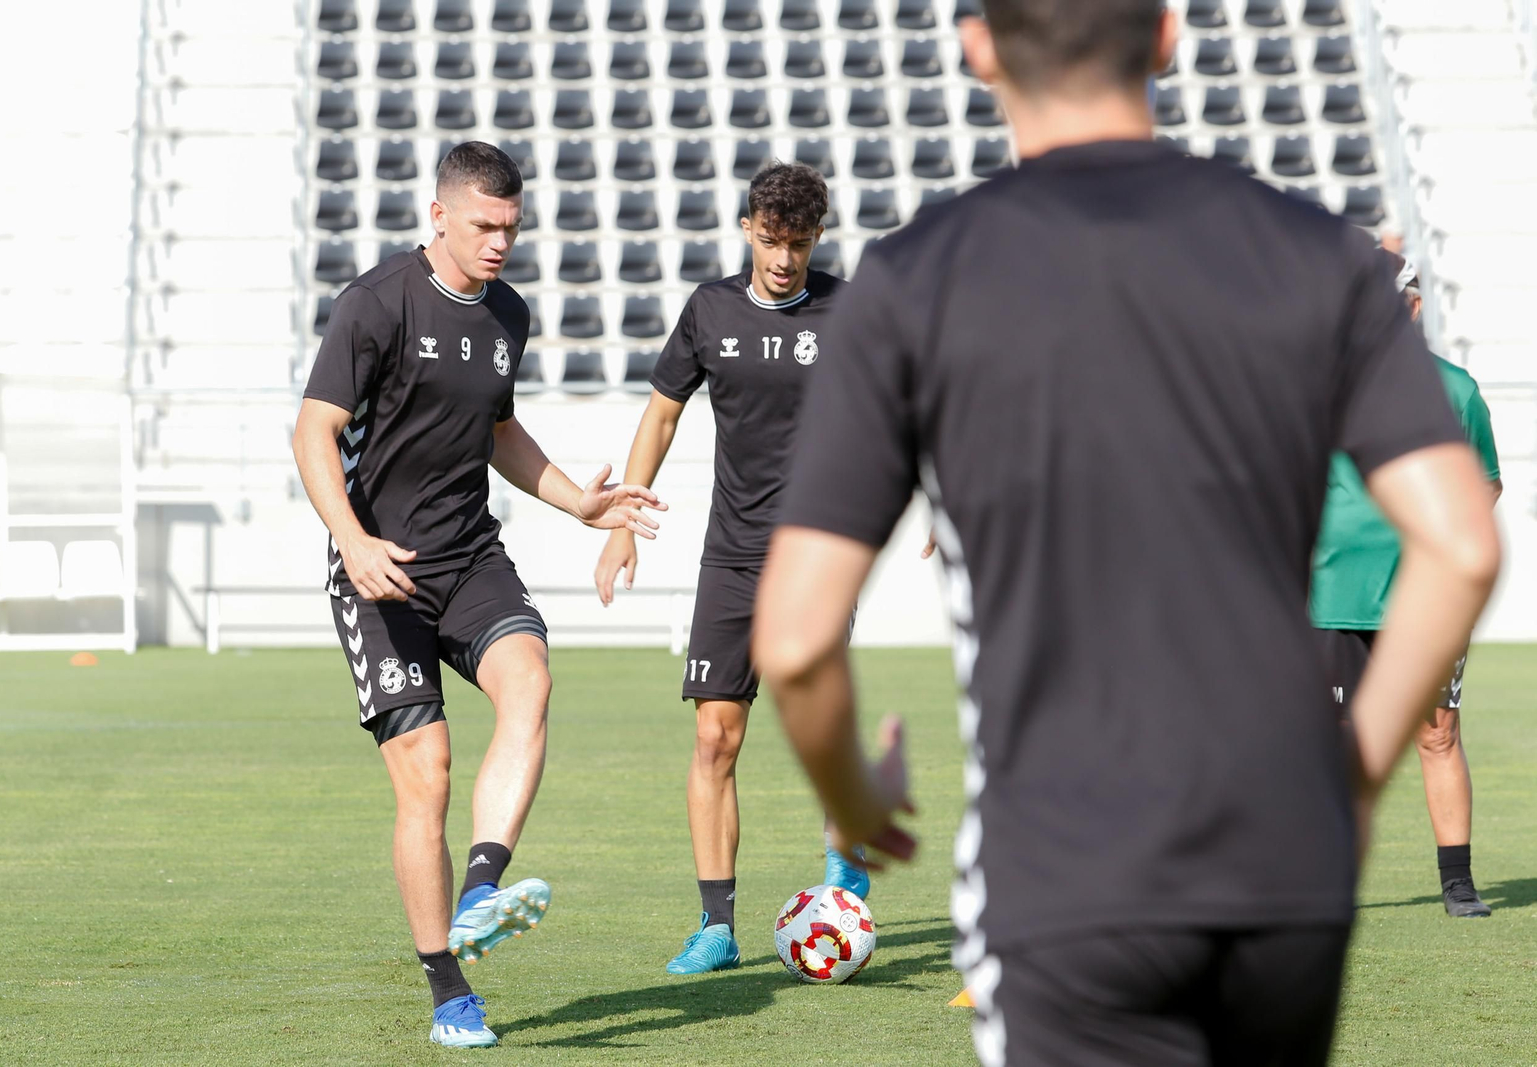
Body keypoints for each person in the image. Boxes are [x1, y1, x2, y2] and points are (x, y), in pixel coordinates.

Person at [750, 3, 1502, 1065]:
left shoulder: (919, 276)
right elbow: (1463, 541)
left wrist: (853, 799)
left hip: (1068, 866)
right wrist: (1356, 769)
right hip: (1283, 860)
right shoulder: (1310, 251)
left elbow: (791, 635)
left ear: (977, 48)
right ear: (1164, 36)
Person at [292, 141, 665, 1049]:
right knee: (427, 775)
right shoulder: (375, 303)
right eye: (486, 225)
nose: (501, 242)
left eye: (512, 227)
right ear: (440, 215)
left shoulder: (507, 312)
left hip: (468, 556)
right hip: (379, 569)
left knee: (530, 679)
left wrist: (579, 499)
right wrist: (352, 538)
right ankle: (448, 985)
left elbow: (497, 426)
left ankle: (482, 889)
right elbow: (313, 430)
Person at [592, 162, 864, 975]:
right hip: (734, 556)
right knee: (715, 735)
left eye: (802, 243)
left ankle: (843, 885)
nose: (786, 260)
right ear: (749, 227)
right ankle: (716, 924)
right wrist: (624, 520)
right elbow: (664, 410)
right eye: (774, 240)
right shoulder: (709, 310)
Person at [1312, 253, 1502, 918]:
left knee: (1438, 732)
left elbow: (1484, 484)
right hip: (1330, 593)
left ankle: (1458, 882)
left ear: (1413, 307)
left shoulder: (1455, 390)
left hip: (1423, 596)